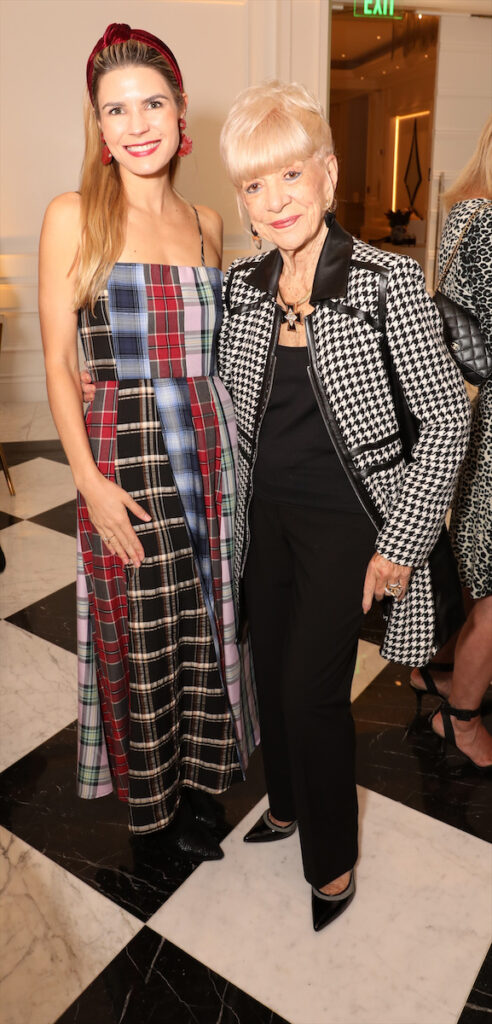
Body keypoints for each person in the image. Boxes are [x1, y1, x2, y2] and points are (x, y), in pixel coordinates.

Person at [217, 81, 470, 930]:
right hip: (265, 520)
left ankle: (330, 863)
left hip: (348, 525)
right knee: (268, 671)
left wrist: (399, 543)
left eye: (289, 175)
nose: (274, 200)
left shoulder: (387, 280)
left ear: (326, 174)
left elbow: (443, 419)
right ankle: (283, 805)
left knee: (312, 690)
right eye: (254, 185)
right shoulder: (242, 285)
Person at [39, 23, 258, 862]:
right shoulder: (74, 216)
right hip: (124, 454)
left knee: (211, 625)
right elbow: (59, 365)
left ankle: (202, 786)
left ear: (180, 111)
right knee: (138, 627)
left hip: (212, 448)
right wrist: (88, 485)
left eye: (152, 103)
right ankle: (153, 807)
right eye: (116, 109)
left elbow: (225, 351)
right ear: (99, 127)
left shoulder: (207, 222)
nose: (136, 124)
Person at [410, 115, 492, 771]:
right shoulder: (481, 218)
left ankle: (442, 679)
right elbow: (465, 348)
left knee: (483, 588)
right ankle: (459, 721)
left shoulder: (472, 212)